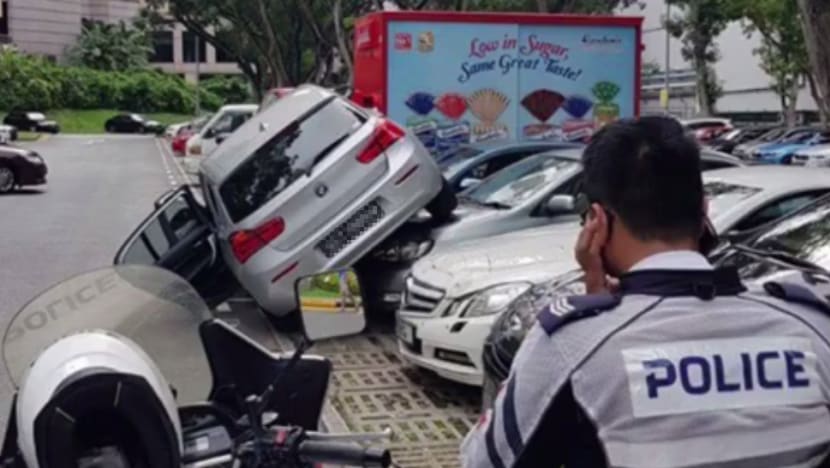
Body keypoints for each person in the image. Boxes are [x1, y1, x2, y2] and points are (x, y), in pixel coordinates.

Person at [460, 116, 830, 468]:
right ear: (704, 211)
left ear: (597, 221)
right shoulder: (812, 325)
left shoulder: (572, 345)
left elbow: (484, 461)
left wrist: (594, 309)